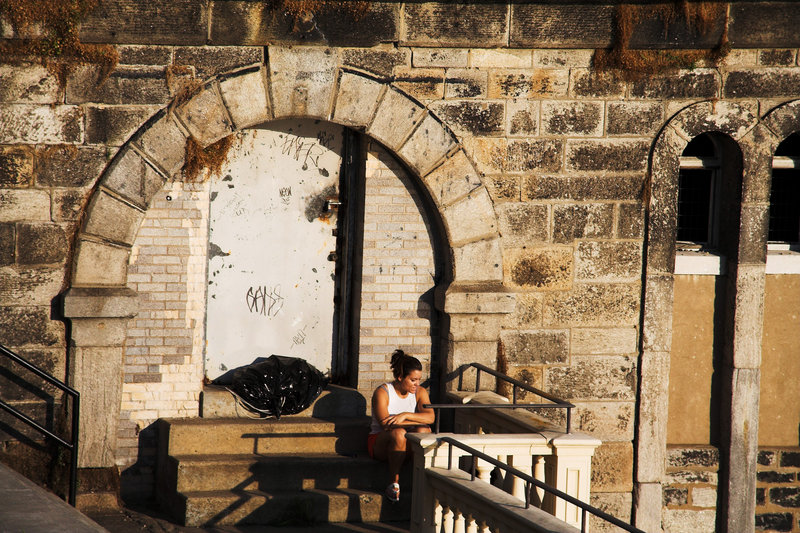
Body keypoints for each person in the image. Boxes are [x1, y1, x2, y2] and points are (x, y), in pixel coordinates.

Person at [368, 349, 434, 502]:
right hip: (381, 443)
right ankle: (394, 484)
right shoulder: (383, 392)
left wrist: (405, 415)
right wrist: (416, 419)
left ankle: (423, 480)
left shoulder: (420, 392)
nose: (417, 384)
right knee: (399, 433)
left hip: (407, 442)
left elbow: (430, 417)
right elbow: (385, 424)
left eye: (419, 379)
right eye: (413, 380)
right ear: (400, 377)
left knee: (424, 430)